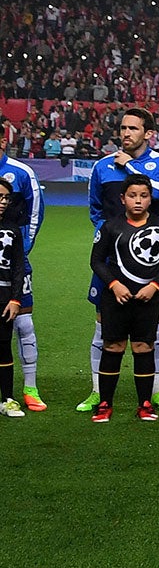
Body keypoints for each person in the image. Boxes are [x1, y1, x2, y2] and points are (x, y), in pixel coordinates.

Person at [81, 108, 159, 413]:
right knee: (102, 325)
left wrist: (133, 166)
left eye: (133, 128)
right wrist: (110, 237)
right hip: (110, 262)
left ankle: (156, 391)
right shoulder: (103, 166)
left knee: (153, 327)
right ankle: (98, 393)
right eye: (123, 128)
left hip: (148, 262)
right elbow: (95, 208)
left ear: (148, 133)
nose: (126, 133)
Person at [89, 175, 159, 422]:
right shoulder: (110, 226)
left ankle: (145, 404)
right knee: (113, 346)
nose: (138, 201)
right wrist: (114, 284)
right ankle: (105, 403)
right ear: (122, 198)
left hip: (148, 299)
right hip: (115, 298)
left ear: (150, 199)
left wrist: (155, 286)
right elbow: (96, 260)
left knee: (143, 347)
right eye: (132, 195)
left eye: (144, 196)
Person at [0, 151, 46, 411]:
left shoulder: (21, 172)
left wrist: (21, 247)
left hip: (12, 259)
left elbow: (35, 211)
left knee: (23, 322)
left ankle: (30, 387)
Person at [0, 177, 26, 416]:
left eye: (6, 198)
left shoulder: (12, 230)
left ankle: (7, 399)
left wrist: (15, 299)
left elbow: (19, 266)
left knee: (3, 347)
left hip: (4, 294)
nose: (3, 202)